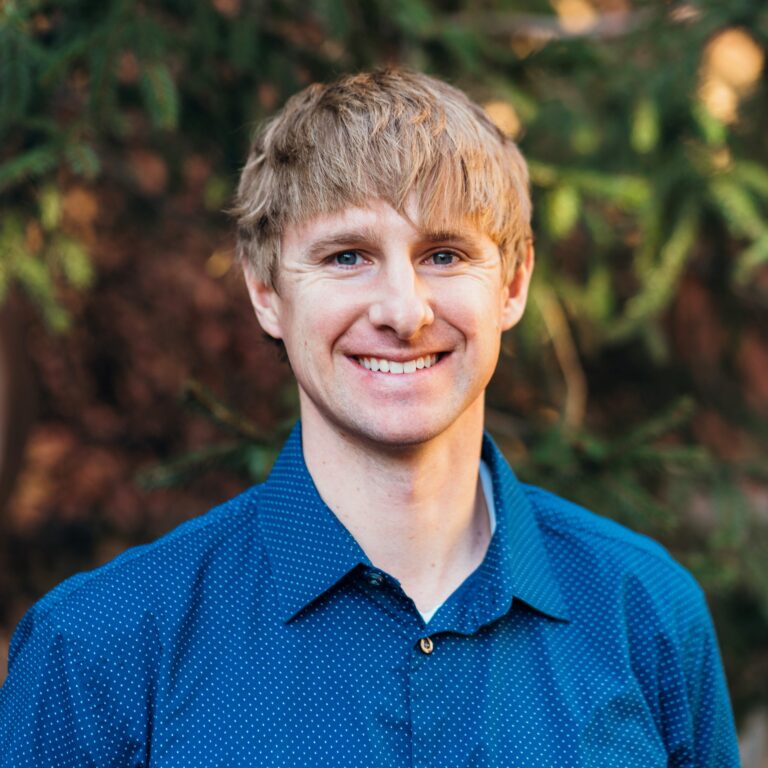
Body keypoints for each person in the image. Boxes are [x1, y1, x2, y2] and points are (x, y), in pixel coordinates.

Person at [0, 70, 739, 767]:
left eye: (445, 254)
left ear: (513, 284)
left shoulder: (643, 610)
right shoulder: (102, 647)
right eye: (347, 256)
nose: (402, 312)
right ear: (265, 293)